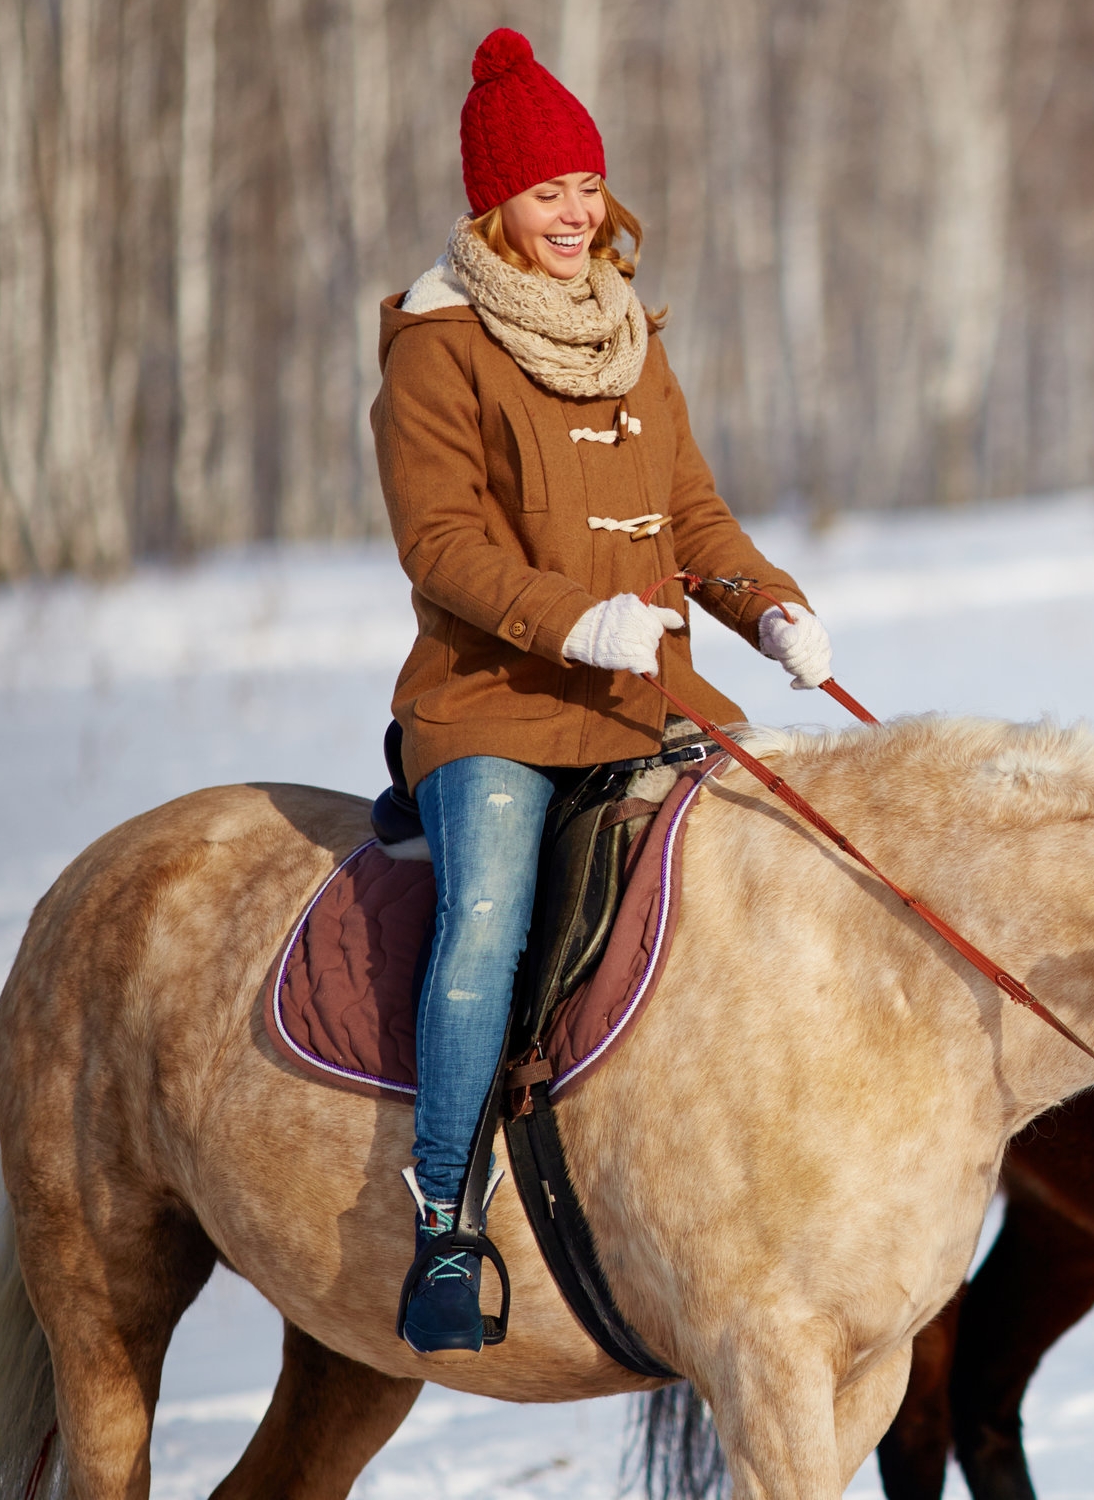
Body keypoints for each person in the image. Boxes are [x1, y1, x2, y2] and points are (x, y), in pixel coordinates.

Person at [372, 28, 835, 1360]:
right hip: (494, 705)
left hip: (653, 693)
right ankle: (449, 1223)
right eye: (544, 191)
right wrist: (581, 619)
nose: (574, 213)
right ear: (492, 207)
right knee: (486, 921)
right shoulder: (437, 350)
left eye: (586, 185)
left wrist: (769, 607)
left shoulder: (631, 334)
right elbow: (441, 545)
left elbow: (693, 514)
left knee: (785, 862)